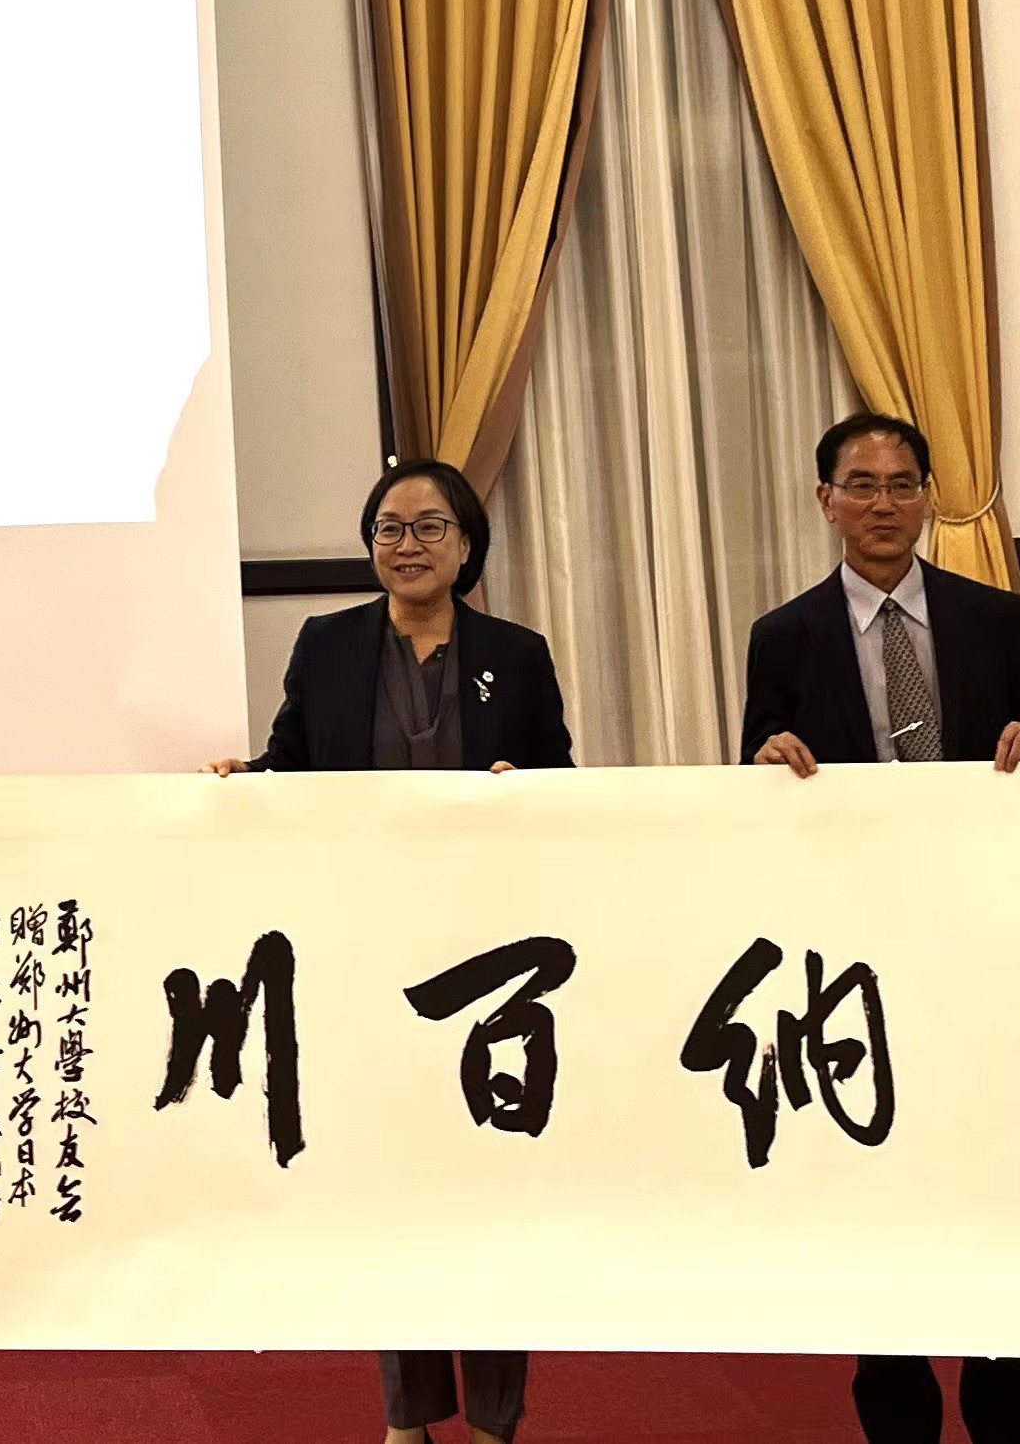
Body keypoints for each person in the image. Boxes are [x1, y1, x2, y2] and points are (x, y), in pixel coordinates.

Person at [207, 457, 569, 1444]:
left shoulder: (518, 653)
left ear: (467, 542)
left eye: (429, 526)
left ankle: (494, 1420)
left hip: (488, 958)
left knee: (489, 1184)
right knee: (389, 1181)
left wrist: (525, 787)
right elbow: (294, 764)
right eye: (388, 528)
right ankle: (407, 1418)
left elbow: (561, 780)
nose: (407, 545)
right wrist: (247, 780)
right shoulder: (325, 645)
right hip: (367, 949)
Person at [741, 410, 1020, 1444]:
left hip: (982, 945)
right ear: (825, 501)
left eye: (901, 484)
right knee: (876, 1175)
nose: (883, 504)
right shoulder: (784, 635)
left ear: (929, 497)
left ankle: (1009, 1388)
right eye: (861, 484)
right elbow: (752, 778)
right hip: (855, 959)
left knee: (991, 1168)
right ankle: (893, 1392)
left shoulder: (994, 617)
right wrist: (764, 766)